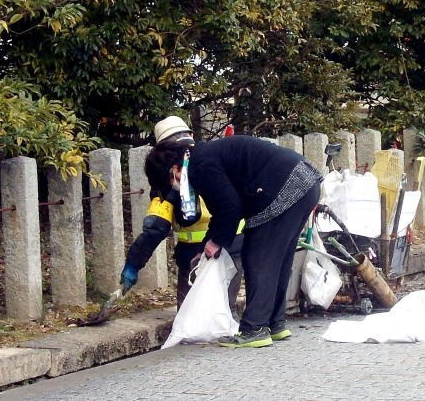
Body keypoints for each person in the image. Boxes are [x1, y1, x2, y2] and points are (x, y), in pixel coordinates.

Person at [145, 135, 322, 348]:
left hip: (283, 187)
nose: (173, 186)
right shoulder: (202, 157)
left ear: (173, 169)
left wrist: (215, 242)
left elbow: (230, 207)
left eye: (168, 181)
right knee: (279, 256)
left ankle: (254, 328)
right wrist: (208, 245)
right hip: (304, 182)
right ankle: (274, 323)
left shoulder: (199, 166)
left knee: (259, 257)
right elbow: (222, 211)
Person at [120, 116, 244, 317]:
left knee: (188, 316)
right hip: (233, 243)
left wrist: (133, 264)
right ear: (192, 136)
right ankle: (228, 340)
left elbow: (156, 227)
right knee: (225, 312)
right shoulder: (215, 159)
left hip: (193, 253)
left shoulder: (168, 179)